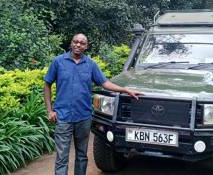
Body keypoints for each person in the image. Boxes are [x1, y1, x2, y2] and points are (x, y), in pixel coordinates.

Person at [43, 33, 141, 175]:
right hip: (63, 117)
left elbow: (105, 83)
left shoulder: (90, 64)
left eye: (82, 43)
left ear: (86, 46)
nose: (78, 45)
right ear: (71, 43)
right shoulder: (58, 62)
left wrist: (125, 89)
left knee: (82, 156)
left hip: (83, 117)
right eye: (75, 42)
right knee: (61, 158)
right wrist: (49, 110)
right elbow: (47, 84)